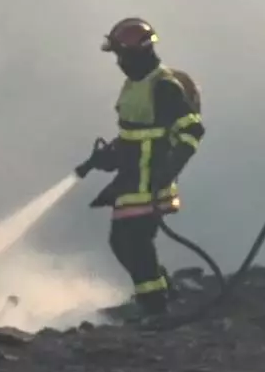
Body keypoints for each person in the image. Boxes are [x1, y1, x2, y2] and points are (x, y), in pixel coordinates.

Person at [82, 17, 205, 321]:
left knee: (133, 241)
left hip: (149, 181)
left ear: (137, 53)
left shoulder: (164, 86)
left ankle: (155, 307)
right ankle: (158, 294)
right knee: (125, 241)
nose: (119, 62)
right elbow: (133, 135)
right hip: (133, 179)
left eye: (121, 55)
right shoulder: (135, 85)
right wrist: (105, 158)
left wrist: (168, 170)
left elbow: (192, 131)